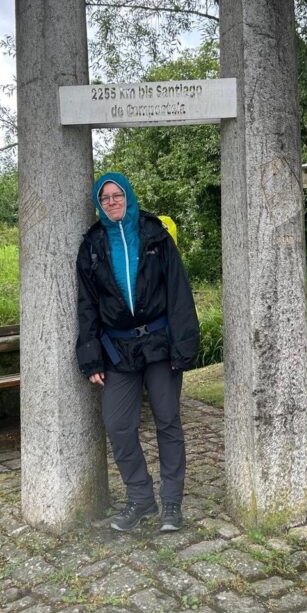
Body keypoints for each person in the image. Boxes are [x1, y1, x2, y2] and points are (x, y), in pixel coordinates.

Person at [76, 171, 200, 533]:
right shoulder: (93, 245)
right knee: (118, 425)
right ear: (99, 204)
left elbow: (178, 291)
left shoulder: (154, 235)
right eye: (105, 198)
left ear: (128, 196)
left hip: (159, 344)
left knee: (167, 420)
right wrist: (90, 356)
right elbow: (86, 305)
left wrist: (183, 346)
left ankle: (171, 502)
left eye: (117, 195)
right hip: (118, 349)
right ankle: (141, 499)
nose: (112, 202)